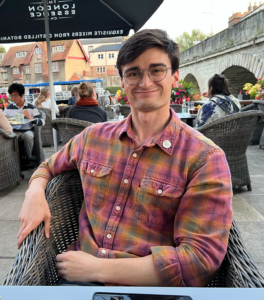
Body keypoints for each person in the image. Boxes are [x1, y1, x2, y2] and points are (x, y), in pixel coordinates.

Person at [17, 29, 232, 287]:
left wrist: (98, 269)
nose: (144, 82)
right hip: (77, 283)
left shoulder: (204, 158)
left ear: (175, 76)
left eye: (156, 70)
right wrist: (35, 192)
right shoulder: (92, 138)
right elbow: (47, 166)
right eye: (133, 73)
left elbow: (200, 262)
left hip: (151, 288)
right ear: (122, 80)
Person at [4, 83, 45, 159]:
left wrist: (29, 117)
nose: (13, 98)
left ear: (22, 95)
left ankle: (28, 158)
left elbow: (42, 121)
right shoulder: (9, 108)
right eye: (11, 96)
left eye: (15, 95)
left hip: (27, 130)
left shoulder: (31, 107)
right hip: (14, 131)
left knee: (28, 136)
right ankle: (14, 160)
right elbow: (4, 120)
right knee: (7, 137)